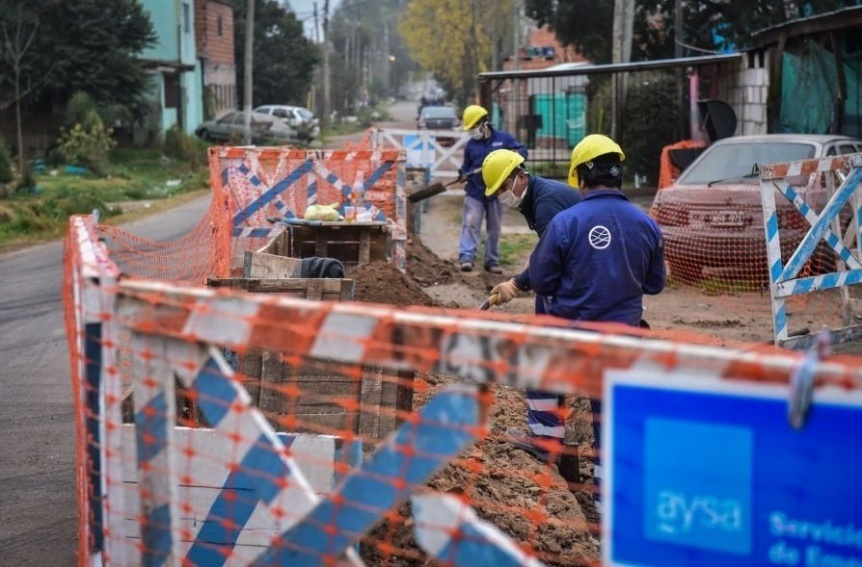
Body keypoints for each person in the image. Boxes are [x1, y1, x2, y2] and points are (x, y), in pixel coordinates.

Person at [527, 134, 666, 515]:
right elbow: (655, 284)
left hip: (570, 348)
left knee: (534, 359)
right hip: (622, 348)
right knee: (611, 429)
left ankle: (544, 441)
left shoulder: (565, 222)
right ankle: (609, 509)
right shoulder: (647, 225)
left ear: (580, 178)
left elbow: (541, 282)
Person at [480, 149, 582, 469]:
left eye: (502, 187)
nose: (501, 196)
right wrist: (520, 280)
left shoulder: (545, 202)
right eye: (497, 192)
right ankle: (556, 438)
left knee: (539, 357)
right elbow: (545, 254)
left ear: (519, 176)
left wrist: (520, 283)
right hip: (581, 279)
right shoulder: (535, 197)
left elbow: (552, 259)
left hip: (579, 285)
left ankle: (545, 440)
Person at [457, 104, 527, 273]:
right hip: (475, 191)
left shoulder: (504, 139)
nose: (473, 131)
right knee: (471, 223)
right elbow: (466, 167)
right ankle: (467, 257)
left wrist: (513, 156)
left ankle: (492, 261)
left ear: (483, 123)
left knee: (494, 227)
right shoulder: (471, 145)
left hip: (497, 191)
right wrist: (463, 173)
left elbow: (522, 151)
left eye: (474, 126)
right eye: (470, 128)